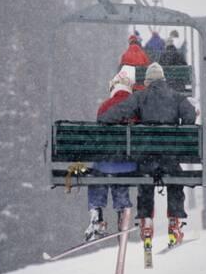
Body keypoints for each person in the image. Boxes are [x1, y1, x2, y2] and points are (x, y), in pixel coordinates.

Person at [98, 62, 197, 247]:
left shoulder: (140, 97)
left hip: (147, 157)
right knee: (175, 182)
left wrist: (104, 119)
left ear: (148, 81)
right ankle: (175, 220)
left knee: (145, 182)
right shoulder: (177, 97)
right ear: (163, 79)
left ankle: (145, 221)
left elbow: (120, 112)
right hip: (170, 158)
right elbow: (190, 114)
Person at [84, 71, 137, 242]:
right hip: (129, 164)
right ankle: (122, 213)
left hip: (106, 163)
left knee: (99, 172)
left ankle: (96, 214)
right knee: (120, 173)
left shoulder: (104, 107)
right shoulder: (136, 106)